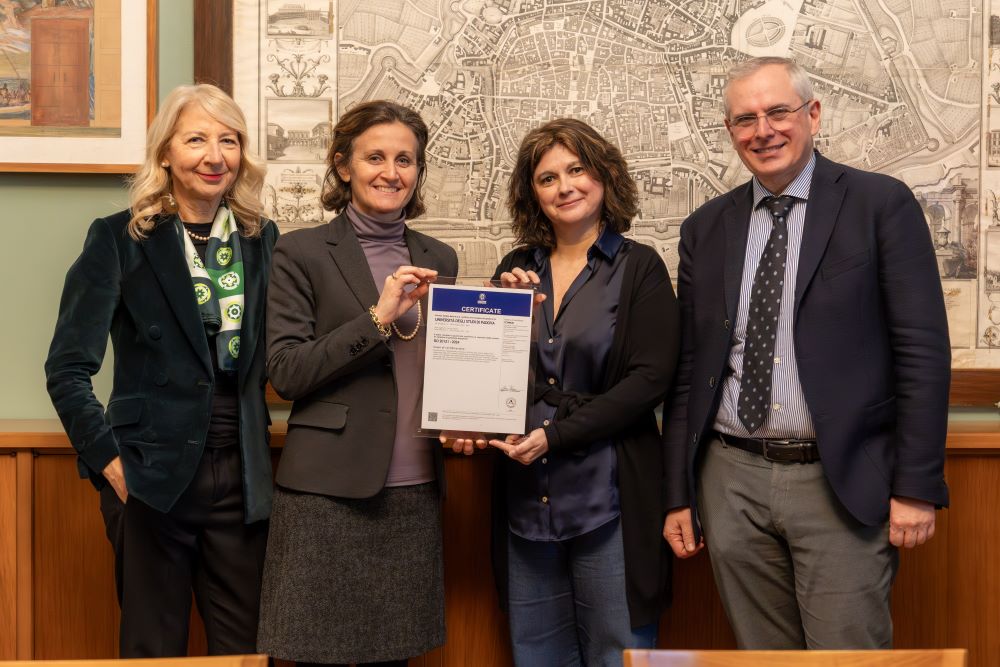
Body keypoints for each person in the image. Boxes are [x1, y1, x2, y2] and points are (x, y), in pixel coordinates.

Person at [662, 56, 951, 649]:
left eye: (778, 112)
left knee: (846, 657)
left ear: (813, 114)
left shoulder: (880, 204)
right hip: (730, 481)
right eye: (745, 119)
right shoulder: (705, 228)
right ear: (730, 132)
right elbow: (689, 368)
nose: (762, 131)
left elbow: (922, 351)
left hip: (839, 481)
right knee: (763, 658)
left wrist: (916, 485)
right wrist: (678, 494)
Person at [44, 83, 277, 656]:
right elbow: (67, 368)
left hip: (242, 472)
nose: (215, 156)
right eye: (196, 140)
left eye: (229, 140)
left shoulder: (262, 240)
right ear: (165, 153)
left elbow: (286, 350)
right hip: (151, 475)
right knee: (153, 651)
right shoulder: (119, 238)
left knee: (246, 653)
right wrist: (109, 462)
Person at [256, 100, 458, 667]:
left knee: (394, 659)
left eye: (405, 160)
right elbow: (286, 372)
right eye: (375, 157)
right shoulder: (300, 251)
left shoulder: (440, 257)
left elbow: (453, 366)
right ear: (343, 166)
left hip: (414, 492)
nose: (391, 172)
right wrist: (377, 318)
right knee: (311, 657)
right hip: (325, 495)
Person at [488, 118, 679, 666]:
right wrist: (501, 310)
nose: (564, 186)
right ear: (533, 194)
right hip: (526, 497)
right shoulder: (515, 270)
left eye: (577, 170)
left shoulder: (639, 267)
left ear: (604, 177)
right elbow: (491, 373)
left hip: (611, 498)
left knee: (620, 654)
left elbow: (649, 381)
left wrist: (556, 435)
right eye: (547, 178)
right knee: (536, 654)